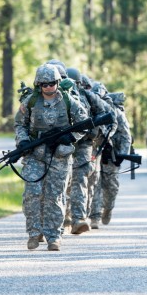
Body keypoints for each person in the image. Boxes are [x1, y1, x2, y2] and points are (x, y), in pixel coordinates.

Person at [14, 64, 88, 251]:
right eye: (44, 84)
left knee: (55, 196)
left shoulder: (69, 101)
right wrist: (23, 141)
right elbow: (19, 124)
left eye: (52, 84)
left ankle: (54, 236)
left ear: (57, 83)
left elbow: (85, 124)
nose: (48, 88)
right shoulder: (30, 102)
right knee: (32, 194)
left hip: (59, 156)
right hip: (35, 155)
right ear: (39, 84)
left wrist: (71, 137)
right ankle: (33, 233)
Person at [64, 67, 116, 234]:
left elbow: (108, 115)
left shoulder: (88, 96)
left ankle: (78, 219)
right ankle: (63, 217)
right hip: (60, 145)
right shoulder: (54, 97)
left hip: (84, 144)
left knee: (80, 180)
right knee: (63, 182)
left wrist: (100, 135)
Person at [89, 81, 131, 228]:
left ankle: (108, 208)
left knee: (111, 187)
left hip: (111, 155)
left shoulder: (116, 112)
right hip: (94, 153)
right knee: (95, 184)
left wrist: (122, 155)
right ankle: (94, 216)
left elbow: (126, 135)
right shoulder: (90, 111)